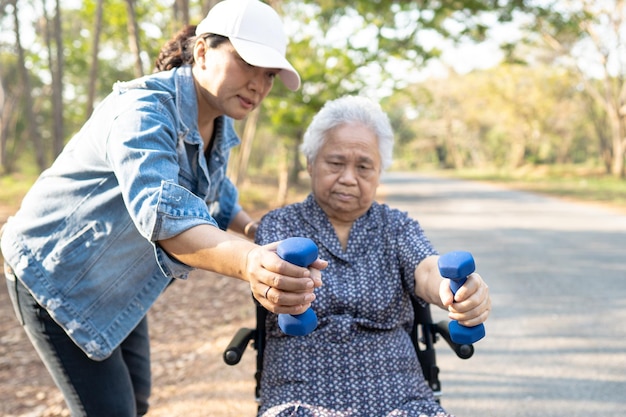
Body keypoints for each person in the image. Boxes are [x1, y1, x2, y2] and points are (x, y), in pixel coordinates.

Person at [0, 1, 326, 416]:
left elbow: (218, 195)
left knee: (135, 401)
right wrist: (252, 263)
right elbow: (165, 217)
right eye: (248, 64)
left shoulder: (218, 124)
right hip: (54, 273)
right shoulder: (143, 112)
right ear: (203, 51)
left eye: (269, 76)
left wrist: (256, 234)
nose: (259, 86)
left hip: (119, 282)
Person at [254, 95, 492, 417]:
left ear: (379, 174)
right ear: (310, 163)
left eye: (364, 167)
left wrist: (455, 291)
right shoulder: (280, 225)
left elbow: (426, 270)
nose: (350, 178)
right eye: (336, 163)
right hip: (302, 390)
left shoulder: (396, 227)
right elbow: (270, 280)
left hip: (400, 394)